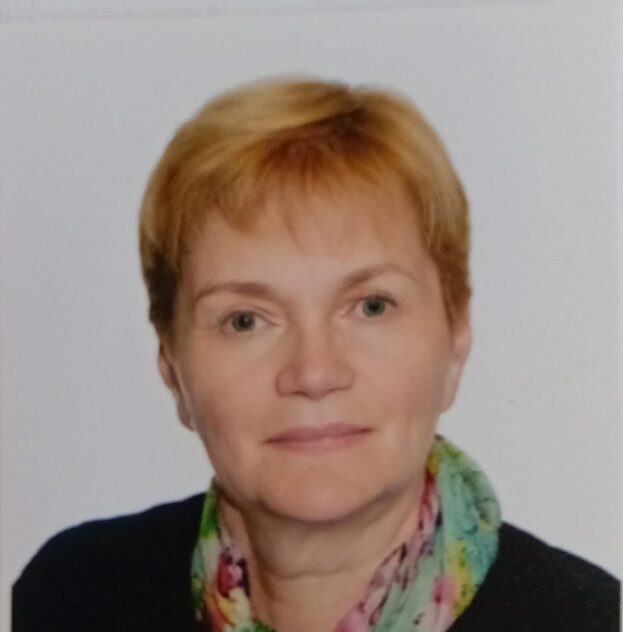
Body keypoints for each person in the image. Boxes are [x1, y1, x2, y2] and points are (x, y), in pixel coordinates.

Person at [12, 77, 619, 632]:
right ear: (172, 367)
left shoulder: (587, 619)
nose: (314, 372)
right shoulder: (69, 597)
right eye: (246, 320)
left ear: (456, 339)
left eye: (371, 306)